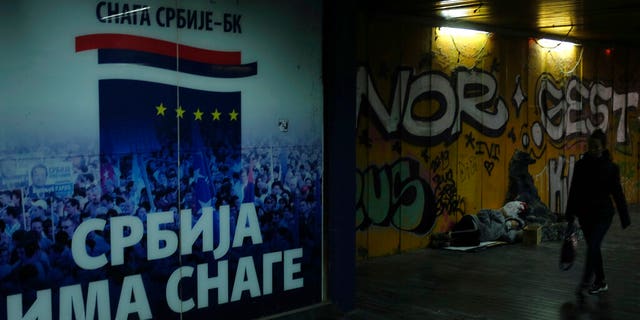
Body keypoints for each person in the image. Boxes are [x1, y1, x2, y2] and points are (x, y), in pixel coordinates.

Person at [565, 129, 631, 295]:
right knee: (594, 248)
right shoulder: (581, 166)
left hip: (603, 215)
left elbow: (617, 193)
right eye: (590, 146)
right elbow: (574, 191)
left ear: (603, 147)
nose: (592, 150)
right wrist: (570, 214)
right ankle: (600, 281)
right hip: (585, 215)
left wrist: (625, 216)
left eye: (596, 147)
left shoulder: (611, 168)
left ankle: (585, 281)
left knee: (593, 245)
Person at [431, 201, 527, 247]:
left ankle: (446, 243)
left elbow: (511, 238)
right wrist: (487, 224)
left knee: (475, 242)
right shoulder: (499, 216)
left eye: (516, 225)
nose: (515, 224)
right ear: (511, 219)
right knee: (476, 232)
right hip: (472, 221)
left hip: (475, 234)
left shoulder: (504, 233)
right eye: (515, 222)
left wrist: (520, 231)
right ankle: (447, 235)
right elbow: (482, 211)